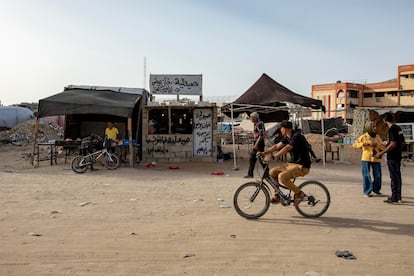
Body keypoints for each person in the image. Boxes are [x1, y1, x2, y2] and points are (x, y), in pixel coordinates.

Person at [257, 120, 310, 206]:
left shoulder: (296, 136)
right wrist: (264, 153)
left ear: (285, 129)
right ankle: (277, 195)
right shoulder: (287, 137)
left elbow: (287, 148)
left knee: (282, 177)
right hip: (292, 164)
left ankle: (299, 193)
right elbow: (277, 146)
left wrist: (274, 156)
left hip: (302, 166)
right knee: (272, 172)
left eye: (281, 128)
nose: (280, 130)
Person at [375, 112, 404, 203]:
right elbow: (402, 141)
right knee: (397, 176)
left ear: (384, 120)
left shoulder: (392, 129)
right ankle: (398, 196)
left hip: (392, 156)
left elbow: (393, 144)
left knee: (394, 177)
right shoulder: (398, 128)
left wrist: (382, 152)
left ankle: (394, 197)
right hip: (398, 155)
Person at [352, 119, 385, 197]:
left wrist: (377, 144)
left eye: (375, 126)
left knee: (378, 175)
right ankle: (367, 191)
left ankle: (376, 189)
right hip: (366, 158)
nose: (375, 128)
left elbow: (382, 147)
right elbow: (355, 144)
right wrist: (366, 143)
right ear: (369, 128)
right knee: (366, 175)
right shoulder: (364, 136)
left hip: (376, 158)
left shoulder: (377, 137)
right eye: (373, 127)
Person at [244, 112, 265, 178]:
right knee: (252, 158)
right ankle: (250, 174)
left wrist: (256, 144)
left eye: (252, 117)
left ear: (255, 117)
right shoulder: (255, 124)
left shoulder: (259, 124)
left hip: (259, 143)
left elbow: (261, 135)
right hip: (256, 142)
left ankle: (267, 173)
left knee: (261, 159)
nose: (251, 119)